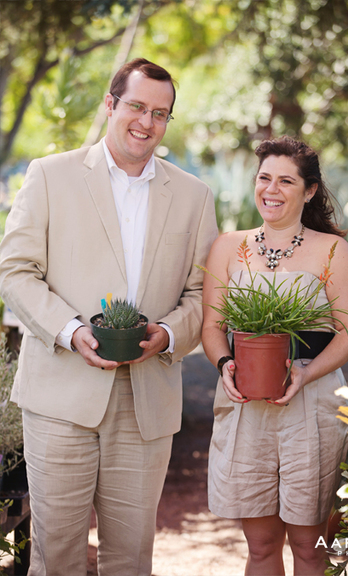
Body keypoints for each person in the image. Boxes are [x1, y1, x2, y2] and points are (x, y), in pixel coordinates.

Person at [0, 58, 219, 575]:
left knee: (130, 559)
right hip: (59, 396)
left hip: (146, 405)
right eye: (137, 106)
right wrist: (71, 331)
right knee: (57, 556)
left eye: (160, 113)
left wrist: (167, 334)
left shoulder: (194, 195)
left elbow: (204, 292)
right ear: (110, 105)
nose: (146, 122)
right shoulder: (50, 175)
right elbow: (15, 271)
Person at [203, 136, 348, 576]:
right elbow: (212, 327)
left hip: (311, 407)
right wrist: (225, 366)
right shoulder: (228, 246)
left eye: (286, 181)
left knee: (309, 548)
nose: (271, 190)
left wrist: (307, 372)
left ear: (309, 190)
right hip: (245, 409)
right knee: (259, 547)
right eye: (264, 178)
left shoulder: (333, 251)